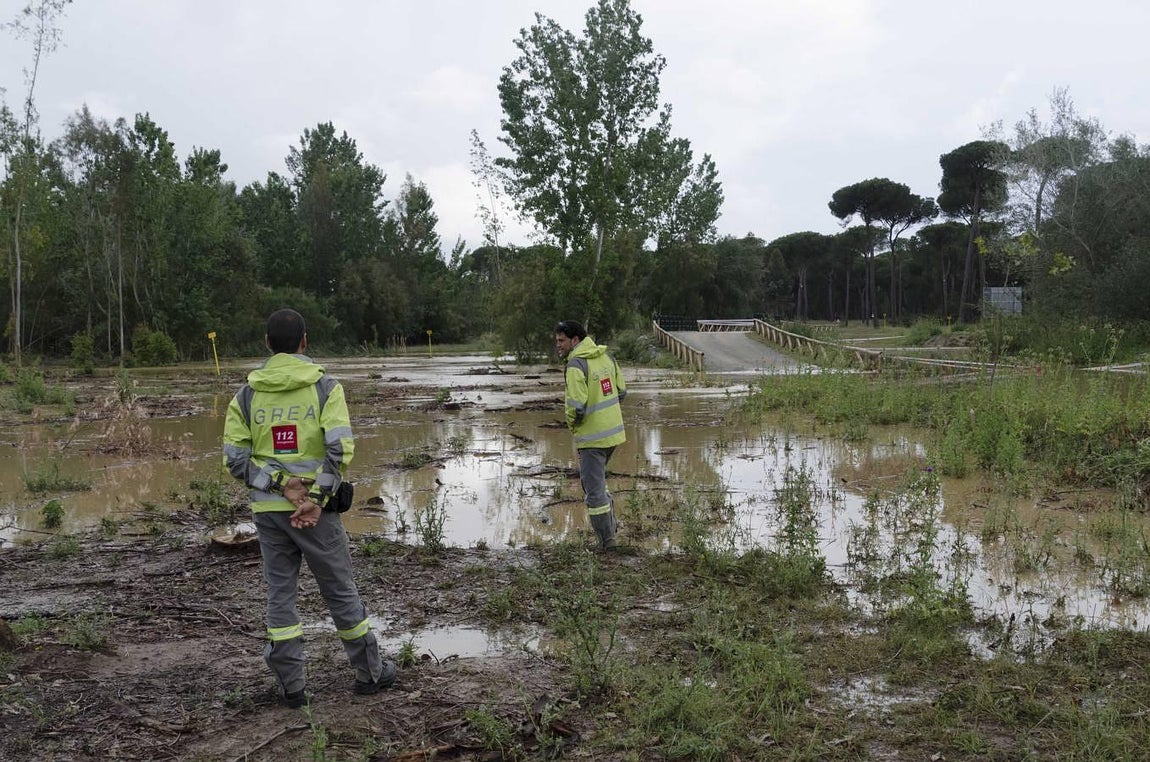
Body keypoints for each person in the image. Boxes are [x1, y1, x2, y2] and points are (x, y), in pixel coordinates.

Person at [223, 308, 395, 708]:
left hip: (269, 513)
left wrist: (282, 486)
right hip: (318, 515)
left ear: (267, 344)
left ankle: (292, 687)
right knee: (339, 590)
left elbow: (236, 459)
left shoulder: (247, 395)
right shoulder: (324, 388)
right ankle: (370, 674)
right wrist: (313, 501)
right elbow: (339, 449)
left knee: (279, 596)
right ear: (305, 341)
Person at [554, 320, 627, 550]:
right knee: (598, 483)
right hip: (613, 436)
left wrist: (574, 427)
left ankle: (608, 543)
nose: (558, 346)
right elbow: (622, 391)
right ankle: (610, 531)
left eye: (562, 341)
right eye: (557, 341)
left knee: (594, 493)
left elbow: (576, 407)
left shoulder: (576, 365)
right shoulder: (606, 357)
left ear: (575, 340)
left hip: (592, 439)